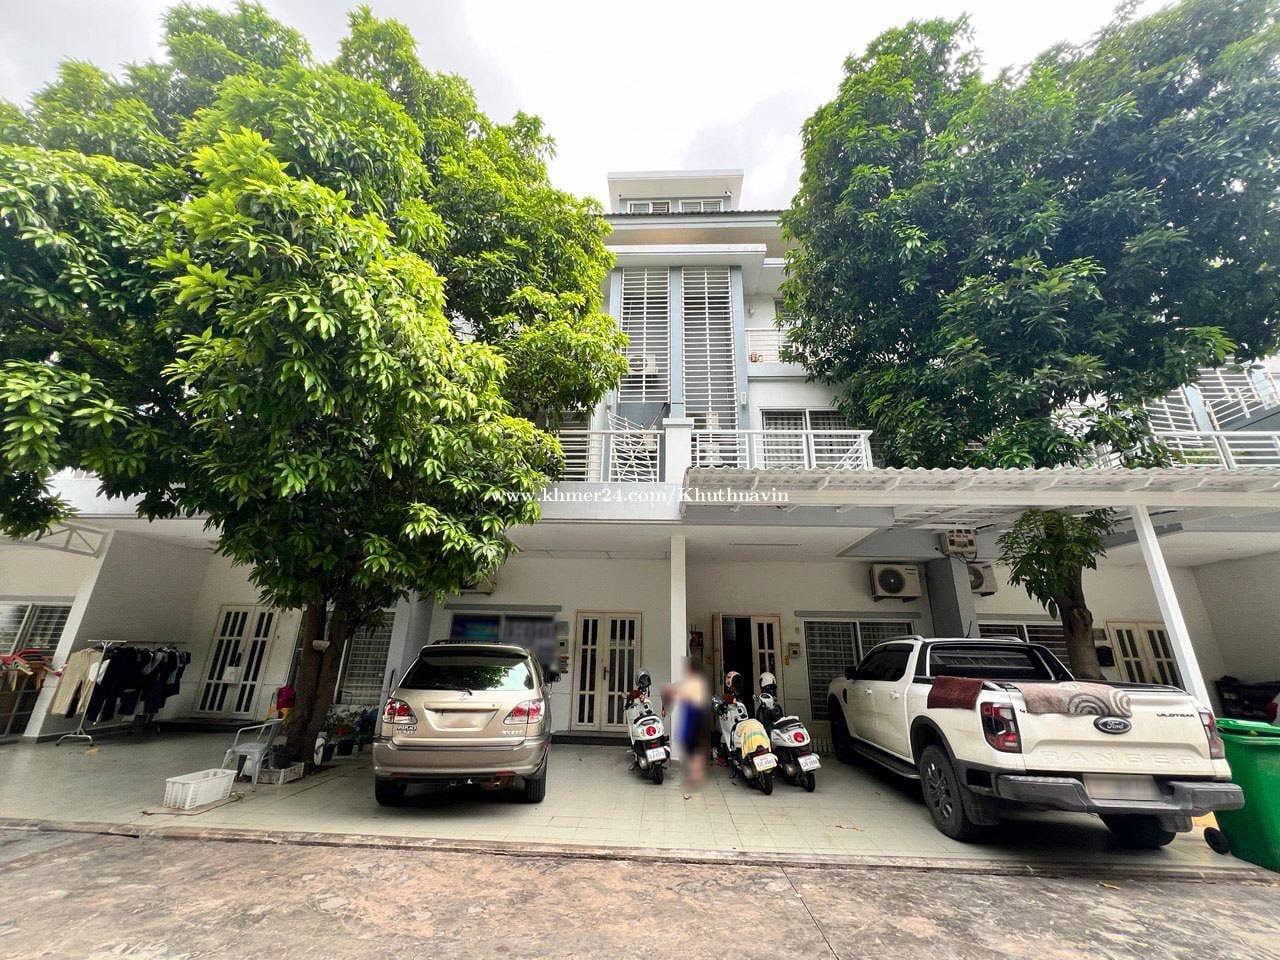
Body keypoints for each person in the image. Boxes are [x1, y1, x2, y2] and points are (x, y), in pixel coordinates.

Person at [666, 657, 710, 791]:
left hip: (696, 718)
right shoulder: (696, 681)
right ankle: (696, 776)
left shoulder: (695, 682)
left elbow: (683, 694)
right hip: (696, 717)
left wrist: (671, 691)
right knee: (693, 748)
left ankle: (695, 777)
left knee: (693, 748)